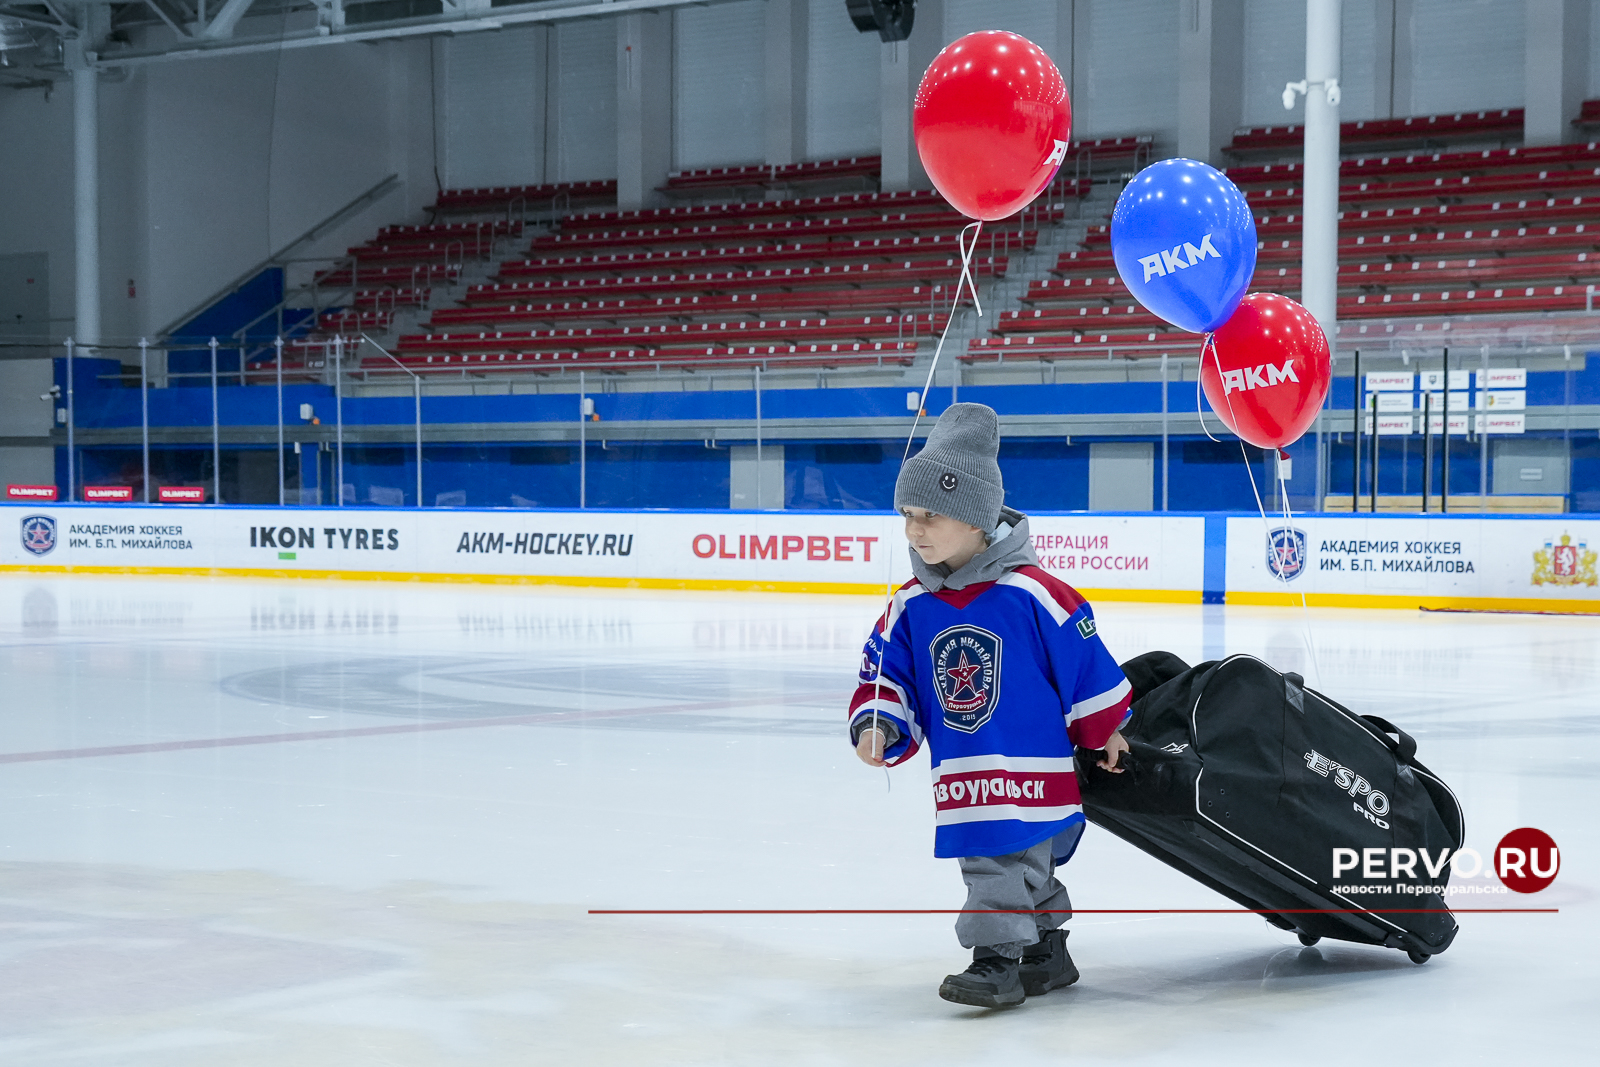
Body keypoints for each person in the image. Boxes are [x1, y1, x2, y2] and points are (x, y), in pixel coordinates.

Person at [848, 403, 1132, 1009]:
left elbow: (1084, 663)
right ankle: (1047, 952)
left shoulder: (1033, 593)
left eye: (931, 515)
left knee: (1000, 861)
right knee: (1018, 862)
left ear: (978, 518)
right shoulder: (911, 605)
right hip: (967, 766)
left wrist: (1104, 728)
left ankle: (996, 959)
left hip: (1039, 762)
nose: (915, 531)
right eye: (908, 516)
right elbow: (886, 675)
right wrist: (878, 721)